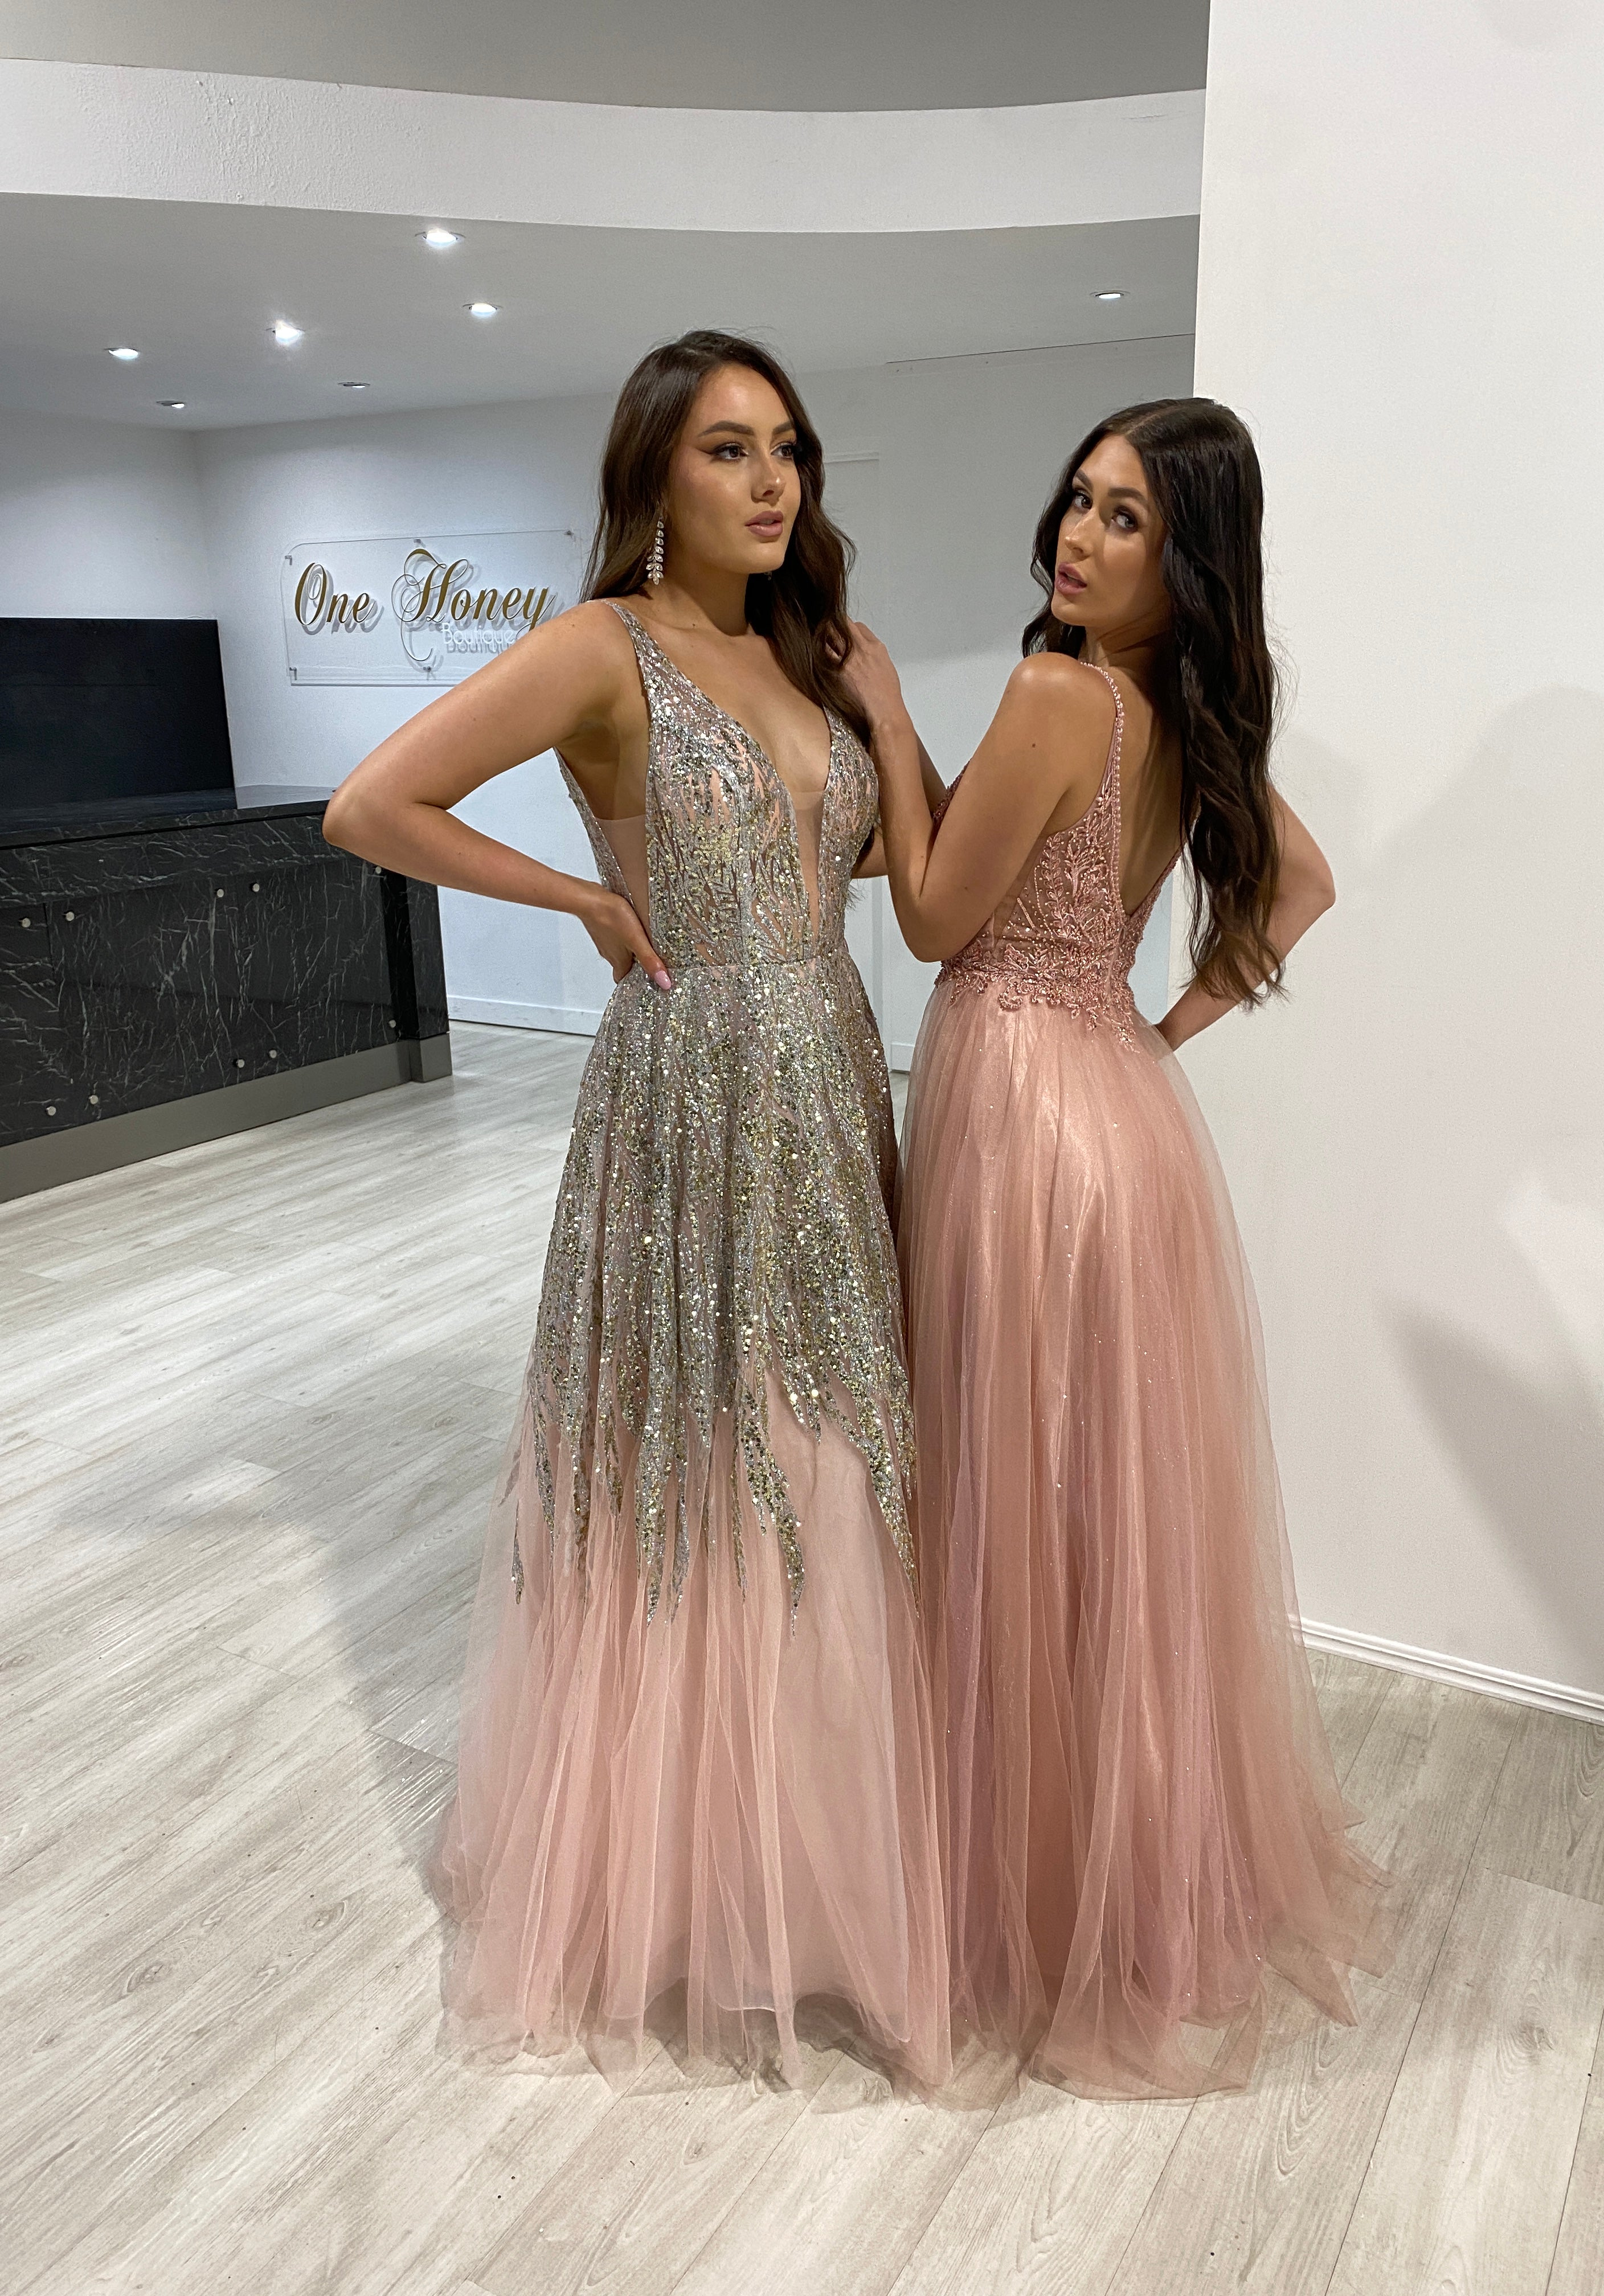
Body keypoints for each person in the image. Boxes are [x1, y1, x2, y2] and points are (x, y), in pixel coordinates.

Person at [323, 331, 947, 2089]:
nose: (771, 481)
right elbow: (374, 804)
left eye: (788, 448)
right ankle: (696, 1876)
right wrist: (582, 902)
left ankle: (827, 1864)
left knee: (836, 1454)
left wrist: (894, 711)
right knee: (711, 1457)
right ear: (654, 474)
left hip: (830, 1070)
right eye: (728, 449)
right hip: (690, 1092)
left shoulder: (806, 654)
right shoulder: (605, 647)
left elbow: (881, 858)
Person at [849, 397, 1390, 2098]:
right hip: (1123, 1116)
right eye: (1080, 500)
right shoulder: (1169, 710)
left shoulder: (1058, 694)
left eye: (1128, 519)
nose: (1081, 538)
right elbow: (1299, 887)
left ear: (1190, 558)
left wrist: (882, 716)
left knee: (1007, 1499)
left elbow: (935, 914)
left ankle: (1015, 1898)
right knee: (1096, 1525)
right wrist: (1157, 1032)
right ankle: (1114, 1883)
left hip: (1023, 1115)